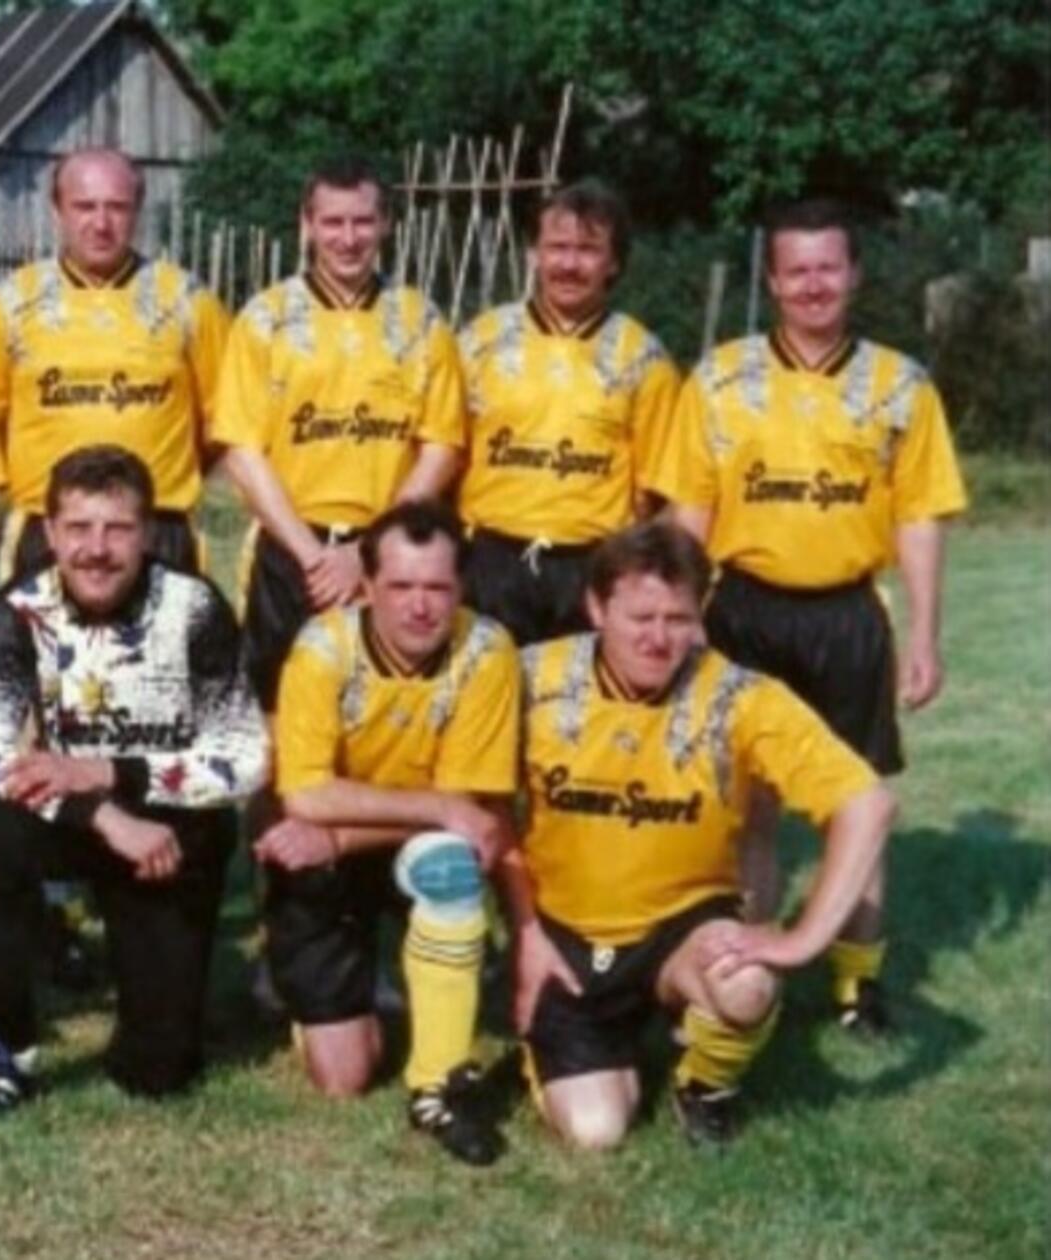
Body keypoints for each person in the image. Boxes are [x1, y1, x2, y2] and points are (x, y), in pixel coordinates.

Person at [654, 198, 967, 1034]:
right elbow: (687, 511)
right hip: (743, 613)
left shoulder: (899, 385)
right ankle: (743, 964)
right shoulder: (718, 377)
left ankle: (856, 984)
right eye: (796, 271)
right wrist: (680, 619)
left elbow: (919, 517)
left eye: (828, 267)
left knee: (851, 804)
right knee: (745, 808)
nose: (812, 285)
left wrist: (925, 634)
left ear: (854, 274)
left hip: (846, 617)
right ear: (772, 280)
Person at [501, 522, 895, 1148]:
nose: (659, 639)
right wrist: (523, 933)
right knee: (598, 1132)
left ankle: (705, 1082)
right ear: (597, 607)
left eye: (678, 618)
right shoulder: (529, 679)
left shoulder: (741, 696)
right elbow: (478, 802)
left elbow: (867, 802)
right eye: (641, 617)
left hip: (680, 929)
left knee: (747, 983)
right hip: (566, 936)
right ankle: (578, 1042)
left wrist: (799, 940)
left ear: (701, 614)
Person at [0, 445, 267, 1135]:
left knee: (158, 1074)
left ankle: (136, 967)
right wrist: (103, 813)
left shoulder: (194, 607)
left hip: (172, 826)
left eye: (116, 528)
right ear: (48, 533)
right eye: (78, 528)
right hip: (76, 817)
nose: (96, 549)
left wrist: (116, 773)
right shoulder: (19, 608)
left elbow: (245, 754)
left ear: (146, 533)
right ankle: (4, 1047)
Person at [257, 499, 519, 1165]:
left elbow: (465, 807)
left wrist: (345, 835)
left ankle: (436, 1084)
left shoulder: (486, 650)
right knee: (341, 1080)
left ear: (461, 589)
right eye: (400, 586)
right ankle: (302, 981)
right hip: (320, 845)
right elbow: (306, 794)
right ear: (367, 586)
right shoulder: (321, 648)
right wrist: (430, 810)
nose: (419, 606)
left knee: (451, 863)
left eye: (436, 587)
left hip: (368, 840)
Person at [214, 159, 466, 711]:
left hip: (392, 557)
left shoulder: (421, 322)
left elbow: (442, 447)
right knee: (274, 720)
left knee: (388, 712)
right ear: (306, 225)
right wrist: (313, 556)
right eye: (332, 223)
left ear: (386, 225)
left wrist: (369, 551)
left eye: (361, 222)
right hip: (289, 552)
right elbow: (240, 450)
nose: (347, 239)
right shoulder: (265, 319)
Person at [0, 147, 227, 581]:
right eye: (84, 206)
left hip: (159, 530)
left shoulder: (188, 301)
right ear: (57, 209)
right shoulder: (10, 305)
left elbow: (221, 426)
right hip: (48, 533)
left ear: (138, 210)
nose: (100, 223)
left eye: (116, 207)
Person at [455, 180, 680, 646]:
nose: (569, 264)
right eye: (556, 247)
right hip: (490, 561)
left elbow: (662, 496)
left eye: (587, 249)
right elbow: (445, 456)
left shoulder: (644, 360)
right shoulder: (479, 343)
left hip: (592, 568)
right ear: (534, 252)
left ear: (613, 262)